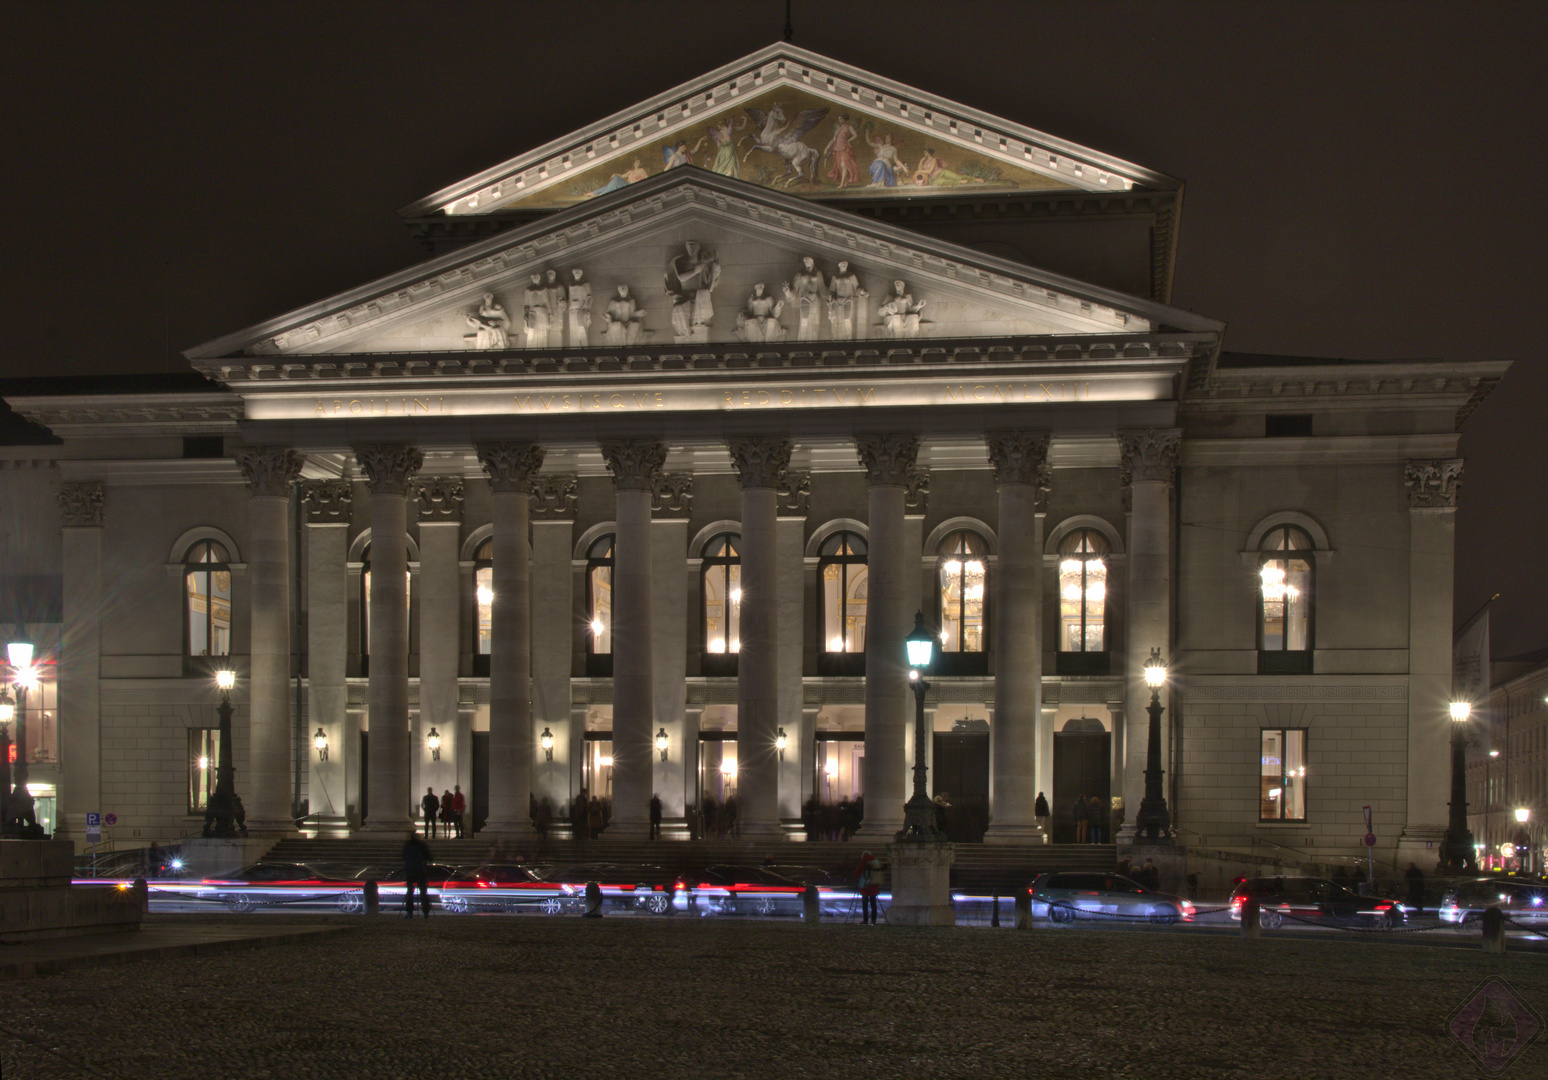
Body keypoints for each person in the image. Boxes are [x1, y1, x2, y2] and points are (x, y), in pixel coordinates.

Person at [401, 829, 432, 918]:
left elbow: (404, 856)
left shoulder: (407, 845)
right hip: (421, 870)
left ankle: (409, 912)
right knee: (423, 892)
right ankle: (425, 912)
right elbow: (430, 857)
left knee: (410, 891)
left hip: (410, 870)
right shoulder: (422, 845)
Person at [855, 850, 881, 924]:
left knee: (865, 904)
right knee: (873, 904)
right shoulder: (876, 862)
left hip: (865, 885)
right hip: (874, 885)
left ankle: (865, 919)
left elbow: (858, 873)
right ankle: (873, 920)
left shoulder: (863, 861)